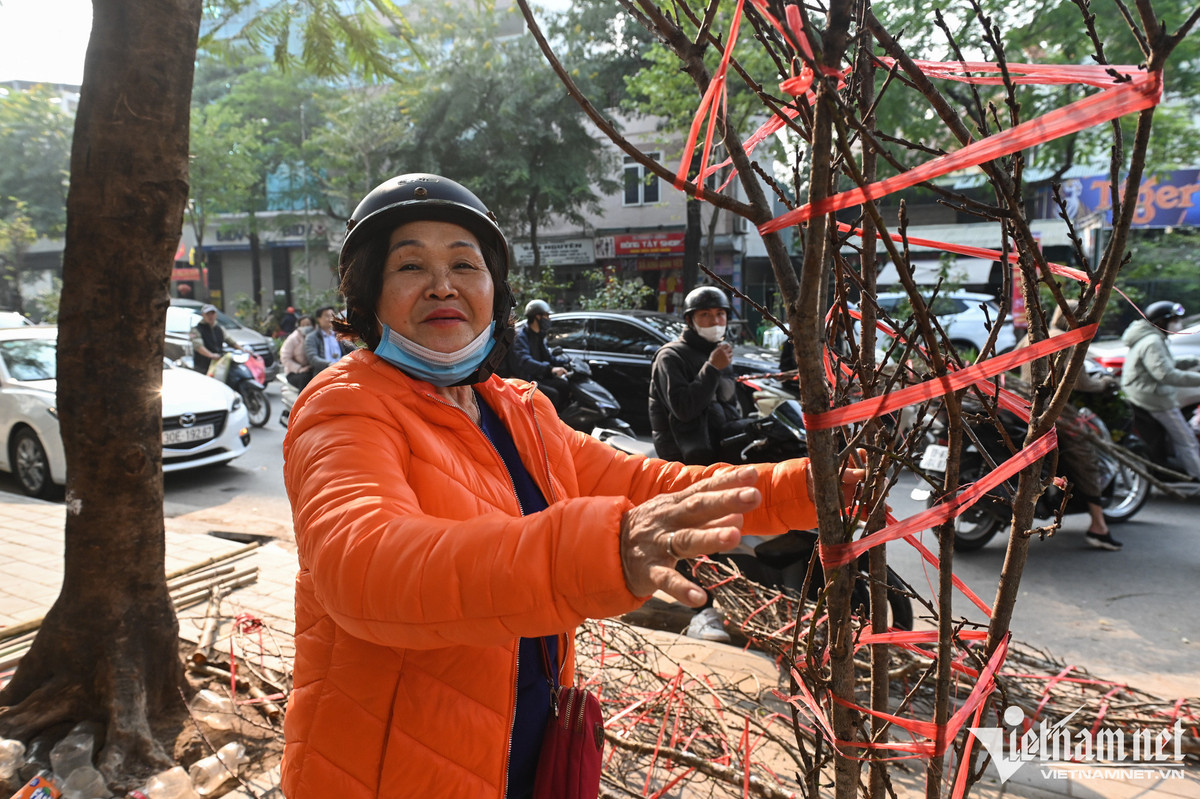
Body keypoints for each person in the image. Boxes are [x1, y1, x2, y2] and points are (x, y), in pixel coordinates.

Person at [280, 173, 855, 799]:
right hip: (390, 771)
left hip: (522, 744)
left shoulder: (518, 409)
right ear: (369, 295)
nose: (443, 285)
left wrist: (815, 489)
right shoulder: (345, 404)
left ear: (493, 289)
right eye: (410, 265)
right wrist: (602, 552)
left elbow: (646, 483)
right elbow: (362, 564)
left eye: (465, 264)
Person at [1016, 304, 1123, 550]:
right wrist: (1104, 383)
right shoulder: (1069, 342)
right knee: (1085, 455)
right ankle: (1098, 525)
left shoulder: (1032, 336)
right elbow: (1081, 382)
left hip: (1022, 405)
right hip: (1053, 411)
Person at [1120, 300, 1200, 482]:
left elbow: (1166, 363)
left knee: (1181, 435)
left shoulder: (1152, 337)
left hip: (1145, 393)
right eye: (1174, 319)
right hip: (1152, 398)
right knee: (1186, 438)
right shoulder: (1152, 341)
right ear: (1161, 322)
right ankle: (1196, 473)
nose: (1177, 323)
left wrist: (1194, 360)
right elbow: (1166, 375)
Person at [507, 298, 573, 410]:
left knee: (564, 385)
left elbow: (548, 356)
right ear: (538, 316)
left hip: (538, 376)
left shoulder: (539, 335)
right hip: (526, 378)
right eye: (547, 316)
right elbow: (525, 361)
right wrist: (550, 369)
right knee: (553, 394)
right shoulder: (521, 337)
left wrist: (567, 362)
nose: (548, 319)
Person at [189, 303, 238, 376]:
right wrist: (211, 355)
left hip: (218, 364)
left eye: (212, 313)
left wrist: (243, 349)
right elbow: (198, 346)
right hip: (203, 365)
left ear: (216, 315)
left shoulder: (219, 329)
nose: (210, 316)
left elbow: (230, 341)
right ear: (203, 315)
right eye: (208, 314)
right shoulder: (196, 329)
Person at [303, 305, 353, 375]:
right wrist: (329, 364)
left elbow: (353, 349)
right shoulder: (312, 337)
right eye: (327, 316)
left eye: (332, 316)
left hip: (343, 370)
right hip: (323, 373)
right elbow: (312, 358)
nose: (330, 318)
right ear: (318, 319)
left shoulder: (340, 335)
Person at [280, 314, 314, 389]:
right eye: (303, 325)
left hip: (312, 369)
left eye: (308, 324)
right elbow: (285, 358)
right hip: (295, 373)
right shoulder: (293, 338)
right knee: (305, 379)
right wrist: (299, 369)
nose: (306, 327)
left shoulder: (315, 336)